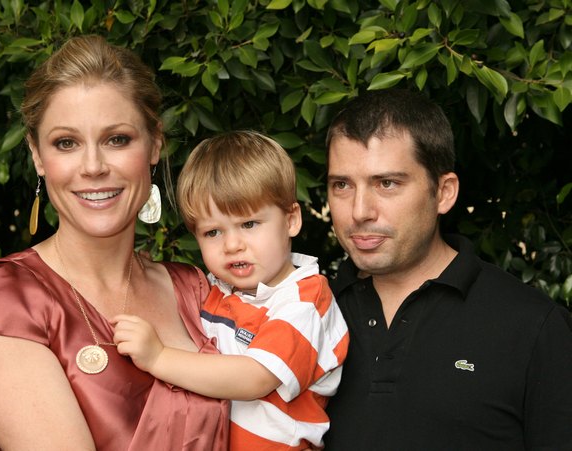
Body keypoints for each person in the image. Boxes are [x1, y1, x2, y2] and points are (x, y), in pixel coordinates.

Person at [0, 35, 229, 450]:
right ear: (38, 156)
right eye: (66, 143)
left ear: (155, 143)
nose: (93, 167)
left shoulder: (197, 288)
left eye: (117, 139)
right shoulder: (3, 299)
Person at [322, 88, 572, 450]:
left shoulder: (533, 327)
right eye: (342, 185)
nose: (360, 211)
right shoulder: (304, 313)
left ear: (444, 193)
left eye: (387, 183)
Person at [113, 131, 349, 450]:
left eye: (249, 224)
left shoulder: (305, 299)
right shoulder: (217, 289)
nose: (233, 245)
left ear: (292, 220)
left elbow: (255, 378)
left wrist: (159, 358)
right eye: (213, 232)